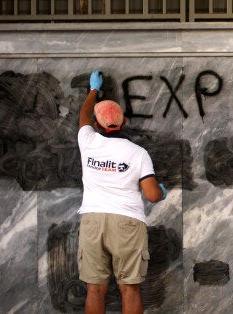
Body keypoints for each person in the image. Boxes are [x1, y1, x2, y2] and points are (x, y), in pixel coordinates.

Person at [77, 70, 167, 314]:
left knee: (95, 290)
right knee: (130, 289)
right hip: (127, 224)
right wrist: (161, 192)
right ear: (123, 121)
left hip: (93, 221)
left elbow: (83, 116)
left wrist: (93, 90)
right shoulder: (138, 153)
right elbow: (152, 195)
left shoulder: (88, 141)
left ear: (97, 125)